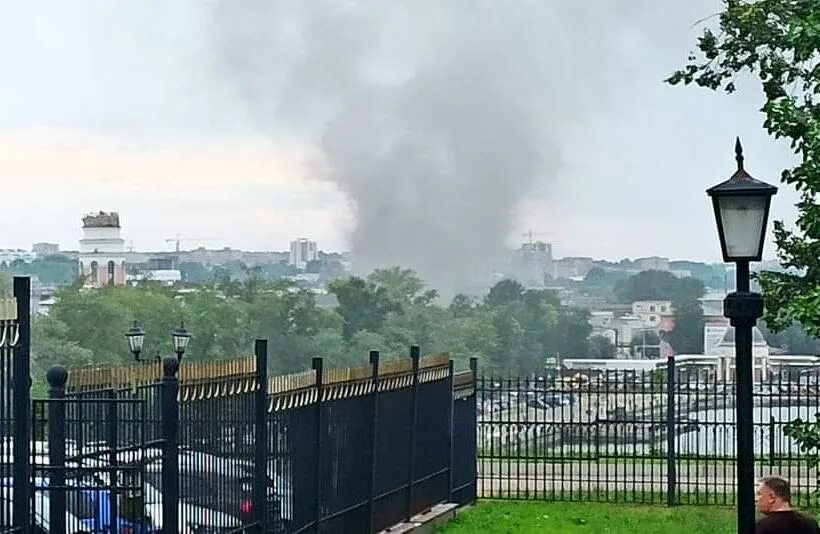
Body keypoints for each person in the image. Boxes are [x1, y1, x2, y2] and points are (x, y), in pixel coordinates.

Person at [756, 476, 820, 533]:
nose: (756, 499)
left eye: (759, 494)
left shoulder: (762, 527)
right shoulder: (810, 523)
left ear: (771, 497)